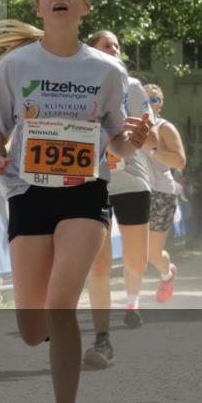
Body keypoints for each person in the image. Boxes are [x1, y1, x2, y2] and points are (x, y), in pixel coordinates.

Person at [0, 0, 151, 403]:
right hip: (28, 192)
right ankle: (55, 335)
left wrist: (133, 140)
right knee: (33, 330)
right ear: (39, 6)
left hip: (84, 193)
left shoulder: (107, 70)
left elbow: (117, 142)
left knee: (61, 306)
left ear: (84, 6)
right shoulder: (15, 66)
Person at [82, 30, 157, 370]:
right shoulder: (79, 84)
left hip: (131, 181)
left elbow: (151, 137)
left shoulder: (134, 86)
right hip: (94, 180)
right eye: (106, 44)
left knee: (136, 261)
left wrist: (141, 134)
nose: (113, 48)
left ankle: (133, 295)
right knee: (99, 264)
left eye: (117, 45)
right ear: (91, 51)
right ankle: (103, 337)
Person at [143, 84, 185, 302]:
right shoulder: (128, 126)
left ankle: (167, 275)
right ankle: (132, 303)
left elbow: (179, 161)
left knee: (152, 254)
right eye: (146, 99)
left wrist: (151, 150)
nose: (150, 103)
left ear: (160, 105)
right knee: (136, 252)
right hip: (134, 191)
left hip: (160, 193)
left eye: (155, 99)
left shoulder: (164, 127)